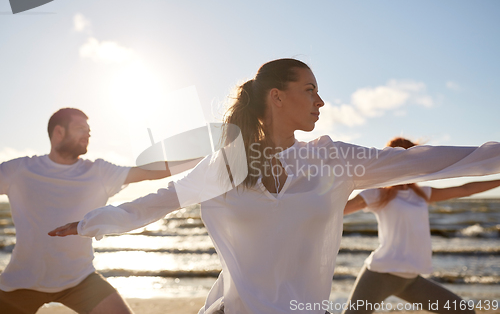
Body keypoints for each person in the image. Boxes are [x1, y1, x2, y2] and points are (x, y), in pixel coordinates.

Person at [49, 59, 500, 314]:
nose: (320, 100)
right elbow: (162, 200)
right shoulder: (228, 162)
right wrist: (93, 222)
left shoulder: (333, 157)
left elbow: (430, 162)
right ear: (276, 97)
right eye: (310, 89)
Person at [0, 108, 175, 314]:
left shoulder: (98, 171)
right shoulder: (19, 170)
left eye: (89, 130)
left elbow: (148, 172)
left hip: (80, 280)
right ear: (59, 132)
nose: (88, 134)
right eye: (80, 128)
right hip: (21, 283)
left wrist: (205, 160)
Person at [342, 137, 500, 314]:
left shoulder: (421, 194)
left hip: (410, 279)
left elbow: (465, 190)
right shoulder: (376, 194)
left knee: (464, 312)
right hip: (380, 274)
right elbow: (338, 210)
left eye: (410, 157)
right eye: (399, 157)